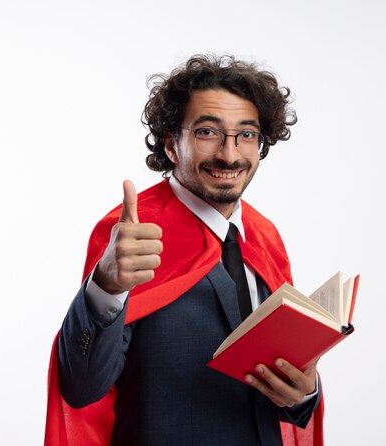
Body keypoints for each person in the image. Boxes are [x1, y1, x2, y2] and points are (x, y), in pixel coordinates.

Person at [45, 54, 324, 446]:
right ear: (172, 144)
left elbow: (285, 390)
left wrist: (304, 392)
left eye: (246, 135)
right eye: (208, 132)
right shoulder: (132, 233)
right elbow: (81, 388)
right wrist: (105, 287)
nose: (230, 154)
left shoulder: (265, 237)